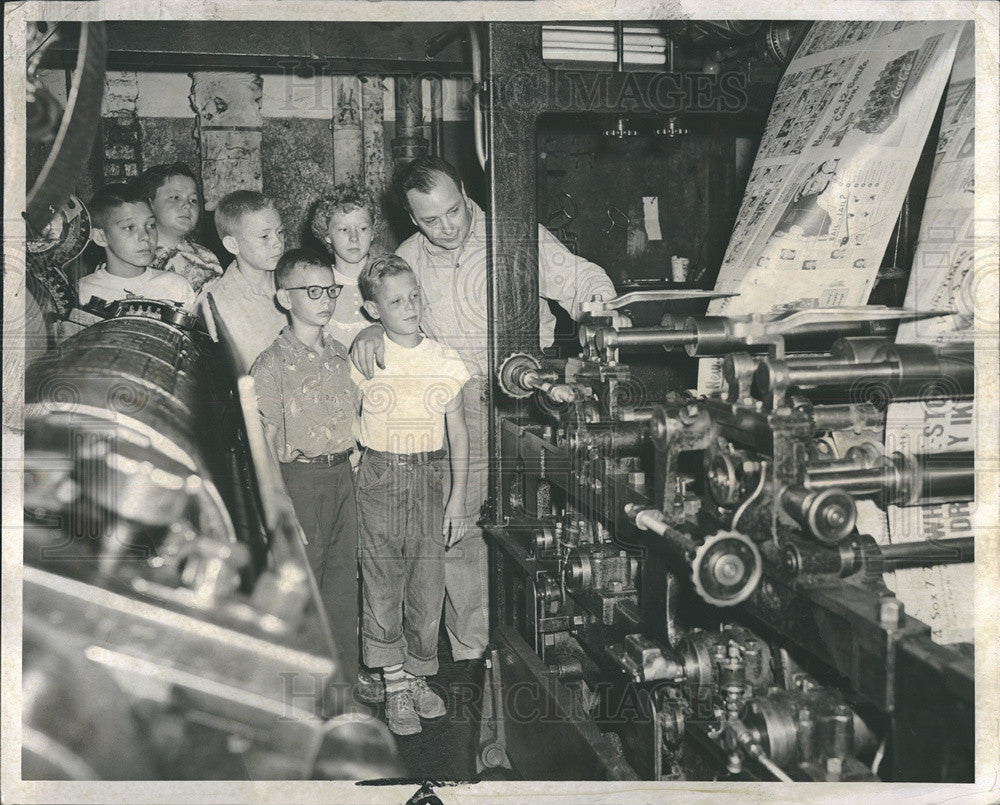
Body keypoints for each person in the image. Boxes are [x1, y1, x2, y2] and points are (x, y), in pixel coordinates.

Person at [351, 156, 615, 669]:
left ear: (466, 192)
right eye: (431, 220)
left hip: (528, 397)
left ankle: (546, 642)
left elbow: (584, 278)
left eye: (454, 210)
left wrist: (601, 309)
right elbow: (378, 305)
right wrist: (369, 331)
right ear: (410, 218)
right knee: (460, 526)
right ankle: (475, 650)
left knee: (544, 519)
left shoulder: (514, 235)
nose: (447, 227)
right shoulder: (409, 256)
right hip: (456, 405)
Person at [351, 253, 470, 736]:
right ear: (372, 310)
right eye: (395, 300)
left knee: (427, 584)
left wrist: (457, 498)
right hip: (380, 476)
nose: (410, 306)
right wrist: (358, 455)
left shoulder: (444, 359)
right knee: (381, 585)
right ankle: (394, 685)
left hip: (428, 477)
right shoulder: (367, 355)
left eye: (414, 295)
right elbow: (345, 414)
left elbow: (458, 431)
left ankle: (419, 676)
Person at [250, 248, 361, 694]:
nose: (325, 300)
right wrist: (280, 506)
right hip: (298, 481)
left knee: (340, 588)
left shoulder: (340, 353)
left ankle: (343, 691)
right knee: (301, 591)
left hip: (341, 478)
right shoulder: (271, 364)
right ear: (284, 298)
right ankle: (296, 695)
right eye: (312, 291)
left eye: (331, 290)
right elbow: (264, 444)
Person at [201, 190, 287, 371]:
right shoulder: (212, 306)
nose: (278, 243)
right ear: (233, 245)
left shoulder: (295, 285)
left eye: (280, 232)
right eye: (265, 236)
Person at [79, 183, 196, 309]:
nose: (145, 236)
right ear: (100, 237)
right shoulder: (83, 292)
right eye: (130, 227)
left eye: (151, 225)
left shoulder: (176, 286)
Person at [137, 162, 223, 294]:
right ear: (149, 204)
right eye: (175, 197)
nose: (187, 205)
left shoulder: (206, 258)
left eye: (193, 200)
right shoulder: (134, 256)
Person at [309, 181, 378, 346]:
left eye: (362, 229)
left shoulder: (387, 279)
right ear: (327, 234)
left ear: (373, 232)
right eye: (343, 230)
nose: (354, 237)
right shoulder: (318, 286)